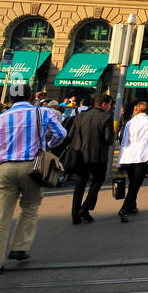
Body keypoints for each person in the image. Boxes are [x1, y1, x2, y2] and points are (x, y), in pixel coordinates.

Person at [0, 92, 68, 275]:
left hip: (5, 168)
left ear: (10, 100)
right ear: (31, 98)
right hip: (33, 167)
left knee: (0, 218)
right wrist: (48, 146)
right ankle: (19, 247)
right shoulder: (43, 113)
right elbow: (61, 133)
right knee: (30, 207)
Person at [65, 94, 114, 223]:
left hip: (80, 154)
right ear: (103, 104)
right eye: (109, 104)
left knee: (80, 183)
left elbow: (70, 135)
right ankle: (85, 207)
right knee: (97, 181)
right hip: (98, 156)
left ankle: (75, 214)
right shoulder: (106, 117)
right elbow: (109, 139)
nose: (110, 107)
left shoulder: (80, 116)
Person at [117, 101, 148, 222]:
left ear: (136, 110)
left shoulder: (130, 123)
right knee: (135, 185)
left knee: (132, 183)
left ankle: (132, 206)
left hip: (129, 155)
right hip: (143, 155)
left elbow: (124, 141)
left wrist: (119, 161)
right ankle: (124, 209)